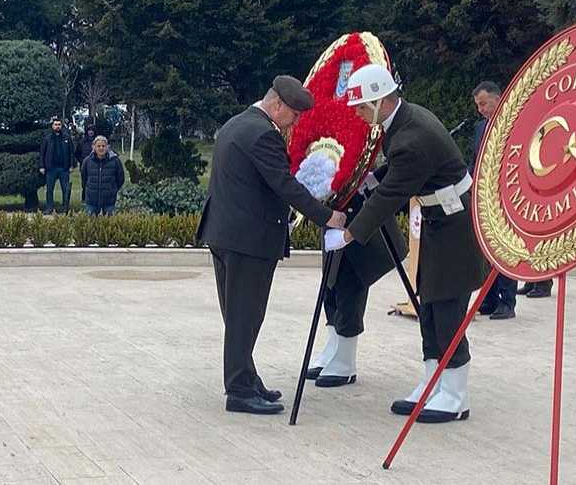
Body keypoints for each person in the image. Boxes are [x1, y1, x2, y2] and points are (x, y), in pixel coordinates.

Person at [327, 64, 485, 423]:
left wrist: (350, 233)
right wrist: (371, 178)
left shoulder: (411, 137)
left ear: (382, 101)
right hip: (439, 222)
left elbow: (391, 195)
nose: (358, 113)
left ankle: (455, 394)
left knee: (446, 309)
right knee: (428, 303)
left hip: (454, 228)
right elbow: (397, 175)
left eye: (363, 107)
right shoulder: (403, 121)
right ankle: (434, 382)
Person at [197, 75, 346, 415]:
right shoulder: (263, 134)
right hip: (248, 240)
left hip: (226, 234)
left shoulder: (238, 123)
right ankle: (238, 390)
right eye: (294, 114)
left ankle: (247, 379)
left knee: (241, 313)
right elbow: (285, 186)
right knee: (244, 315)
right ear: (277, 105)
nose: (296, 122)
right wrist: (327, 216)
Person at [306, 190, 407, 387]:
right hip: (335, 205)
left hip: (359, 211)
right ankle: (334, 345)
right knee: (331, 283)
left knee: (350, 282)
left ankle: (345, 357)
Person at [470, 82, 518, 320]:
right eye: (478, 105)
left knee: (503, 249)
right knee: (485, 252)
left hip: (507, 198)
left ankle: (507, 302)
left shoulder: (515, 125)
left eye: (483, 104)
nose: (480, 109)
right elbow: (475, 162)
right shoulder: (480, 128)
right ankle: (488, 299)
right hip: (484, 197)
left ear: (498, 99)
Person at [39, 117, 77, 214]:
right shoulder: (47, 138)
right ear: (52, 126)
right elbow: (42, 153)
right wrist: (42, 166)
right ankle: (49, 208)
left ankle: (65, 208)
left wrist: (72, 165)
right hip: (51, 168)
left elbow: (71, 152)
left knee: (66, 189)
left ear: (61, 126)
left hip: (64, 169)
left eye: (59, 125)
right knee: (49, 190)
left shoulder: (66, 137)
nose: (57, 126)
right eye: (55, 125)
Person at [80, 135, 124, 215]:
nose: (101, 148)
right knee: (89, 224)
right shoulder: (87, 161)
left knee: (110, 225)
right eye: (98, 146)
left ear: (107, 147)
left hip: (109, 200)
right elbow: (84, 178)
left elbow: (120, 179)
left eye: (103, 146)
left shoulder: (115, 161)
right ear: (93, 147)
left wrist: (113, 189)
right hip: (91, 200)